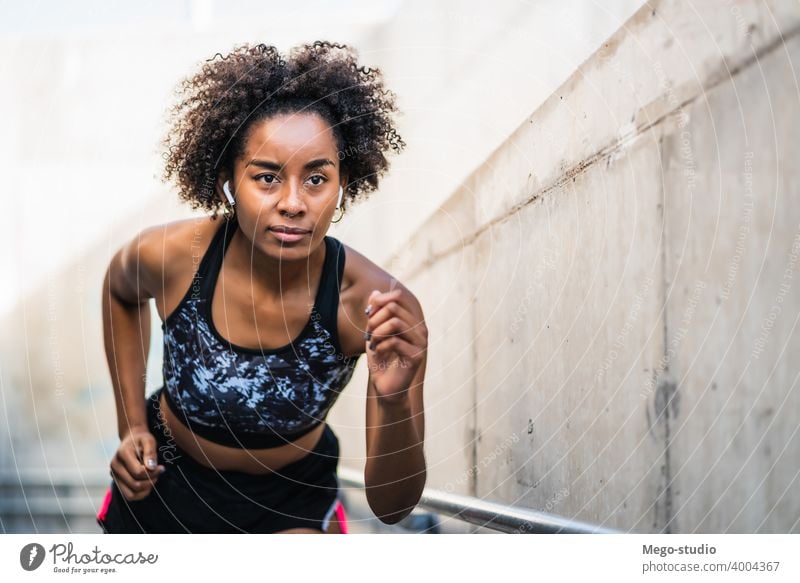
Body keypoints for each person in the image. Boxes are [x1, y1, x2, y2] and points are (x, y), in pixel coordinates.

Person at [97, 41, 428, 534]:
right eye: (267, 178)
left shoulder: (375, 307)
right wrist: (132, 427)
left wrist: (396, 401)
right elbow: (120, 293)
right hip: (165, 482)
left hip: (289, 501)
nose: (294, 203)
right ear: (226, 182)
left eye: (317, 178)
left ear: (344, 184)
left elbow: (392, 508)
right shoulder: (171, 257)